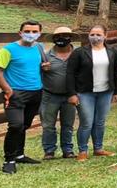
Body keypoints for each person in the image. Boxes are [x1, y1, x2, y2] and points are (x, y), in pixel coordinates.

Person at [0, 20, 45, 174]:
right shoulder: (8, 50)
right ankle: (9, 160)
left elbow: (38, 66)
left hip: (36, 93)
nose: (31, 34)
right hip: (16, 93)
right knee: (15, 125)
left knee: (24, 125)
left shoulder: (39, 48)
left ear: (39, 34)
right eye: (27, 31)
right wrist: (8, 90)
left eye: (35, 31)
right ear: (20, 32)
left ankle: (20, 154)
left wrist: (45, 67)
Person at [66, 25, 117, 162]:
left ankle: (98, 148)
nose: (95, 37)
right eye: (92, 34)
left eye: (98, 34)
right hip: (85, 92)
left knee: (100, 122)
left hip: (105, 92)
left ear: (105, 35)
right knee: (86, 122)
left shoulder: (113, 51)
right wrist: (72, 93)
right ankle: (83, 150)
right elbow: (70, 73)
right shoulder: (79, 52)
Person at [40, 26, 78, 160]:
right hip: (50, 94)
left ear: (71, 38)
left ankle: (67, 149)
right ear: (53, 39)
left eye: (65, 35)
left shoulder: (78, 54)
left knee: (68, 124)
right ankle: (49, 150)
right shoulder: (45, 55)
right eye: (58, 36)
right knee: (48, 125)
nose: (61, 38)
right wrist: (42, 69)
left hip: (70, 95)